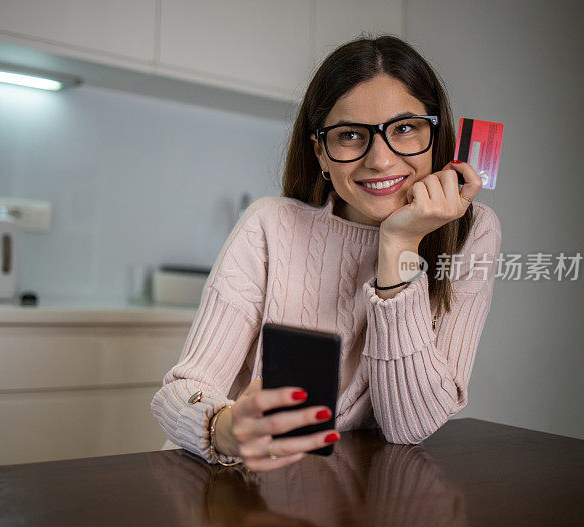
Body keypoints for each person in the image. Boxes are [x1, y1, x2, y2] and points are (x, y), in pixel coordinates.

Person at [150, 34, 502, 472]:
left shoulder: (471, 231)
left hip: (353, 497)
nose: (380, 160)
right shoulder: (269, 225)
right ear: (321, 151)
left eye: (405, 128)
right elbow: (178, 394)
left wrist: (399, 246)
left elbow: (410, 426)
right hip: (235, 487)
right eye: (351, 135)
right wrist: (225, 427)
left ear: (436, 135)